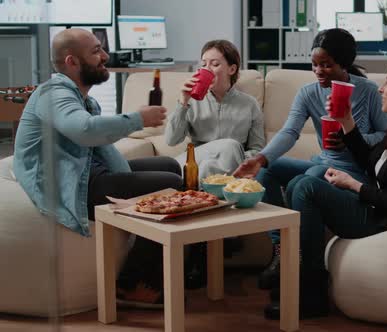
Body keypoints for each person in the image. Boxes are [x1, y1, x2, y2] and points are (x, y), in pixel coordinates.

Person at [263, 56, 387, 319]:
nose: (380, 89)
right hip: (375, 206)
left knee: (307, 186)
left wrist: (353, 185)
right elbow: (371, 160)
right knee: (298, 182)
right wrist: (347, 121)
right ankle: (304, 281)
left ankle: (311, 294)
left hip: (385, 220)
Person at [13, 28, 183, 308]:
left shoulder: (83, 99)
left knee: (169, 167)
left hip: (86, 173)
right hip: (68, 182)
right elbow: (85, 131)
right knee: (169, 184)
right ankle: (133, 284)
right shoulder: (53, 94)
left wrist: (129, 185)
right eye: (95, 51)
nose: (105, 56)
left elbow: (103, 147)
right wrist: (137, 119)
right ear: (72, 62)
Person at [233, 28, 387, 290]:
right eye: (315, 65)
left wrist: (353, 138)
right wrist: (260, 159)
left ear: (343, 64)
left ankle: (307, 267)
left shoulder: (367, 91)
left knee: (308, 179)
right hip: (323, 162)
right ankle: (282, 250)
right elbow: (289, 132)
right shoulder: (308, 93)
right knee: (267, 172)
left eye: (326, 65)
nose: (318, 71)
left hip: (355, 172)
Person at [165, 39, 265, 178]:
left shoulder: (250, 104)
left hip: (227, 165)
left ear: (232, 69)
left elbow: (257, 149)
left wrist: (235, 158)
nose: (206, 69)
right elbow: (171, 140)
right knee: (226, 148)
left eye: (215, 64)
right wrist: (183, 102)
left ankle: (199, 195)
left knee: (212, 164)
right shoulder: (191, 101)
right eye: (203, 64)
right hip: (195, 161)